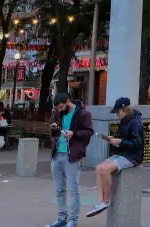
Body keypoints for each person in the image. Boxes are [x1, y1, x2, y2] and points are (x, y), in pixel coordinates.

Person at [87, 97, 143, 218]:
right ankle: (100, 202)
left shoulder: (136, 123)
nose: (117, 115)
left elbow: (137, 143)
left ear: (125, 110)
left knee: (105, 170)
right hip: (123, 154)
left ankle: (106, 201)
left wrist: (120, 142)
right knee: (98, 168)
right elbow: (123, 137)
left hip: (132, 157)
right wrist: (113, 139)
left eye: (118, 112)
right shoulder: (124, 121)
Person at [45, 92, 93, 227]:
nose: (59, 110)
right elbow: (52, 126)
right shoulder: (58, 113)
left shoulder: (83, 114)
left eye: (61, 107)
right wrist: (53, 128)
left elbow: (89, 132)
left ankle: (73, 220)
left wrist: (74, 133)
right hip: (57, 154)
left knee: (73, 189)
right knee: (59, 189)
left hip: (72, 155)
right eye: (57, 108)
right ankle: (62, 218)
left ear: (68, 101)